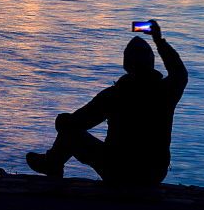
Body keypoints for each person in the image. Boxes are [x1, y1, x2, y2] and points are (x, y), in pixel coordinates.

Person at [26, 19, 187, 187]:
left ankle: (51, 164)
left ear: (126, 64)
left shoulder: (115, 94)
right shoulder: (167, 90)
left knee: (69, 129)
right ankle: (51, 163)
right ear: (152, 62)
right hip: (154, 173)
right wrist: (158, 40)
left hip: (119, 171)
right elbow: (179, 71)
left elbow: (78, 122)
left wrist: (61, 121)